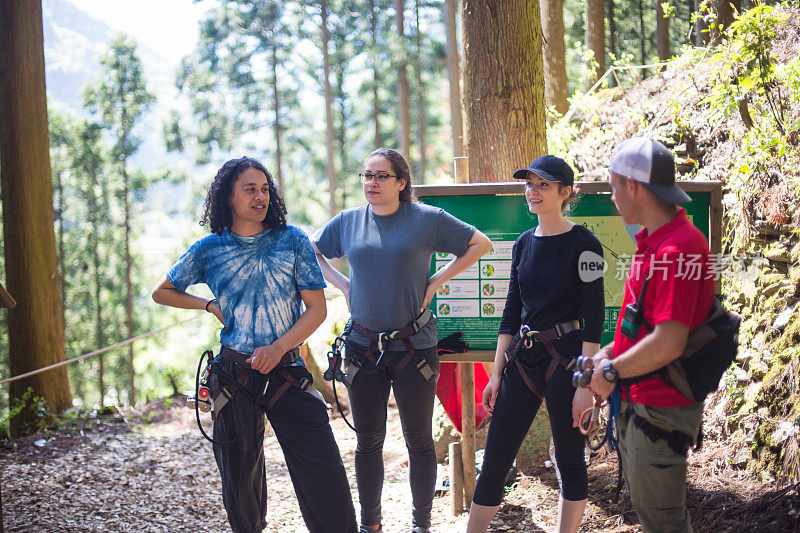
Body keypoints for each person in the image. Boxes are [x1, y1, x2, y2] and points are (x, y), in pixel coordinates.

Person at [152, 157, 357, 533]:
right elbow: (161, 292)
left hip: (289, 373)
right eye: (250, 189)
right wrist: (207, 304)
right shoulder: (208, 249)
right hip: (234, 376)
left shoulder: (292, 240)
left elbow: (316, 310)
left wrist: (279, 348)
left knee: (323, 470)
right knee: (240, 482)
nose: (260, 196)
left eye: (265, 188)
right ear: (228, 197)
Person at [313, 148, 492, 533]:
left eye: (381, 176)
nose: (371, 183)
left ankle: (420, 525)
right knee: (368, 442)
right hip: (362, 348)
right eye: (366, 175)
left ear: (401, 182)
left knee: (419, 441)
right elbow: (311, 251)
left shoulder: (426, 220)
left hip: (415, 348)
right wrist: (344, 285)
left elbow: (480, 244)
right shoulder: (348, 222)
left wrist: (437, 281)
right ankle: (370, 525)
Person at [466, 155, 605, 533]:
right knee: (494, 460)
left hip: (568, 362)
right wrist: (496, 374)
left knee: (570, 460)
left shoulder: (587, 244)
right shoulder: (523, 244)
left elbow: (595, 318)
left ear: (565, 193)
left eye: (543, 185)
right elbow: (511, 312)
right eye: (530, 184)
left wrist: (584, 385)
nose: (533, 191)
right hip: (523, 360)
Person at [588, 137, 714, 533]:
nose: (611, 197)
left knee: (664, 523)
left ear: (633, 186)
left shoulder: (678, 249)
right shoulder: (652, 243)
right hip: (642, 403)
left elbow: (669, 341)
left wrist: (609, 373)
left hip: (659, 408)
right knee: (652, 515)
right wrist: (607, 353)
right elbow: (641, 327)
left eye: (613, 186)